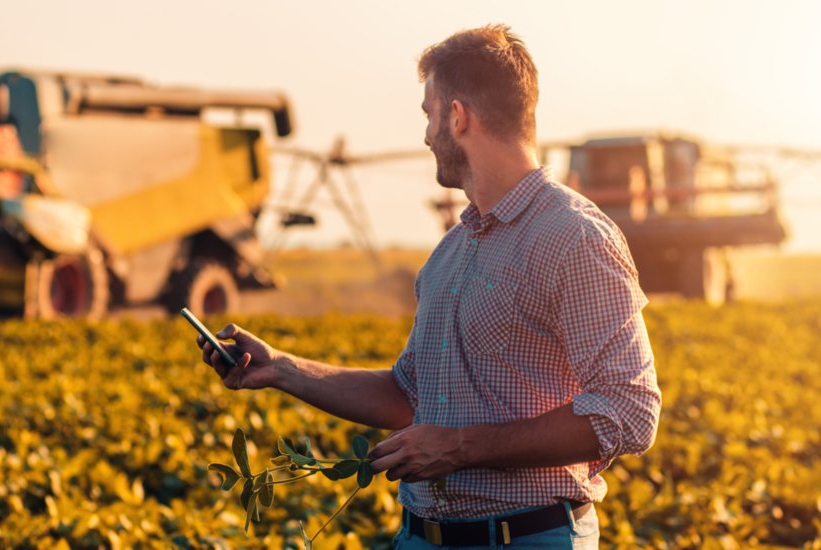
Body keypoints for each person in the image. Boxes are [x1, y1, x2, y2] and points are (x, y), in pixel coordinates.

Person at [196, 24, 660, 549]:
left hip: (526, 538)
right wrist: (281, 368)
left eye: (428, 113)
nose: (425, 134)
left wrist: (462, 447)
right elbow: (408, 394)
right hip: (421, 537)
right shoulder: (449, 253)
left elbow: (629, 410)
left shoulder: (573, 236)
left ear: (458, 116)